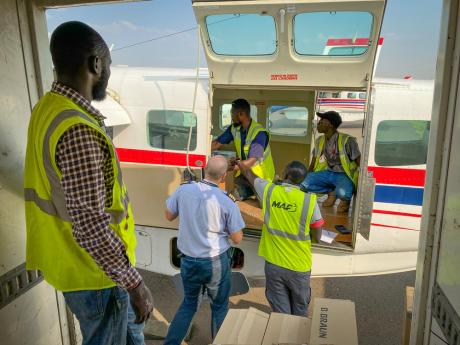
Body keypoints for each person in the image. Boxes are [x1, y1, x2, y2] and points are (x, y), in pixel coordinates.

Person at [24, 21, 153, 345]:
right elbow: (91, 226)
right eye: (106, 66)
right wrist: (134, 283)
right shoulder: (78, 129)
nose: (107, 74)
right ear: (96, 64)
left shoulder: (47, 108)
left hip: (73, 266)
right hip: (96, 275)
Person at [163, 155, 245, 345]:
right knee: (219, 306)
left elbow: (168, 215)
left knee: (189, 304)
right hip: (214, 262)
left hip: (188, 260)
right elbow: (237, 238)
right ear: (224, 177)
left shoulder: (184, 189)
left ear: (205, 169)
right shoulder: (227, 201)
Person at [238, 160, 323, 316]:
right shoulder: (310, 200)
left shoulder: (269, 191)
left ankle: (281, 337)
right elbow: (317, 236)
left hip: (274, 265)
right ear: (302, 180)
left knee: (281, 312)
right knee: (300, 310)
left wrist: (239, 163)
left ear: (284, 175)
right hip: (299, 266)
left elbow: (249, 174)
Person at [211, 98, 275, 200]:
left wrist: (225, 167)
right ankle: (246, 192)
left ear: (241, 114)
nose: (231, 118)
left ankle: (256, 192)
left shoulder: (259, 133)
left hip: (261, 178)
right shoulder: (234, 128)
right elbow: (217, 143)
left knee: (262, 206)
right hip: (245, 174)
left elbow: (250, 162)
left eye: (232, 115)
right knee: (232, 197)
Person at [301, 111, 361, 213]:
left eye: (322, 121)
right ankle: (332, 192)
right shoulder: (319, 140)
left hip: (344, 175)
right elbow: (314, 161)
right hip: (329, 172)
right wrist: (307, 176)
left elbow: (359, 161)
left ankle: (344, 199)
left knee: (342, 196)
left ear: (330, 125)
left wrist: (361, 181)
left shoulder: (347, 140)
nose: (318, 123)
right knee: (303, 183)